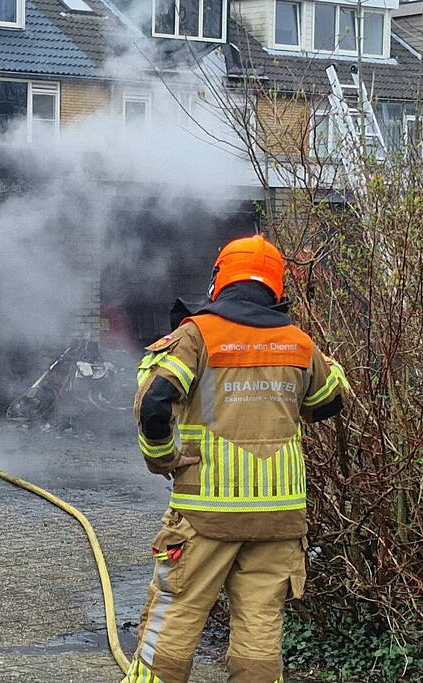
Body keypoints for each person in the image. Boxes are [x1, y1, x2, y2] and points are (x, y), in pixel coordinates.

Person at [124, 234, 348, 683]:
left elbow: (153, 404)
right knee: (260, 633)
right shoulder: (298, 342)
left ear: (218, 280)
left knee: (176, 617)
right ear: (277, 287)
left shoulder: (196, 336)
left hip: (205, 515)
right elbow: (329, 401)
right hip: (278, 519)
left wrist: (163, 458)